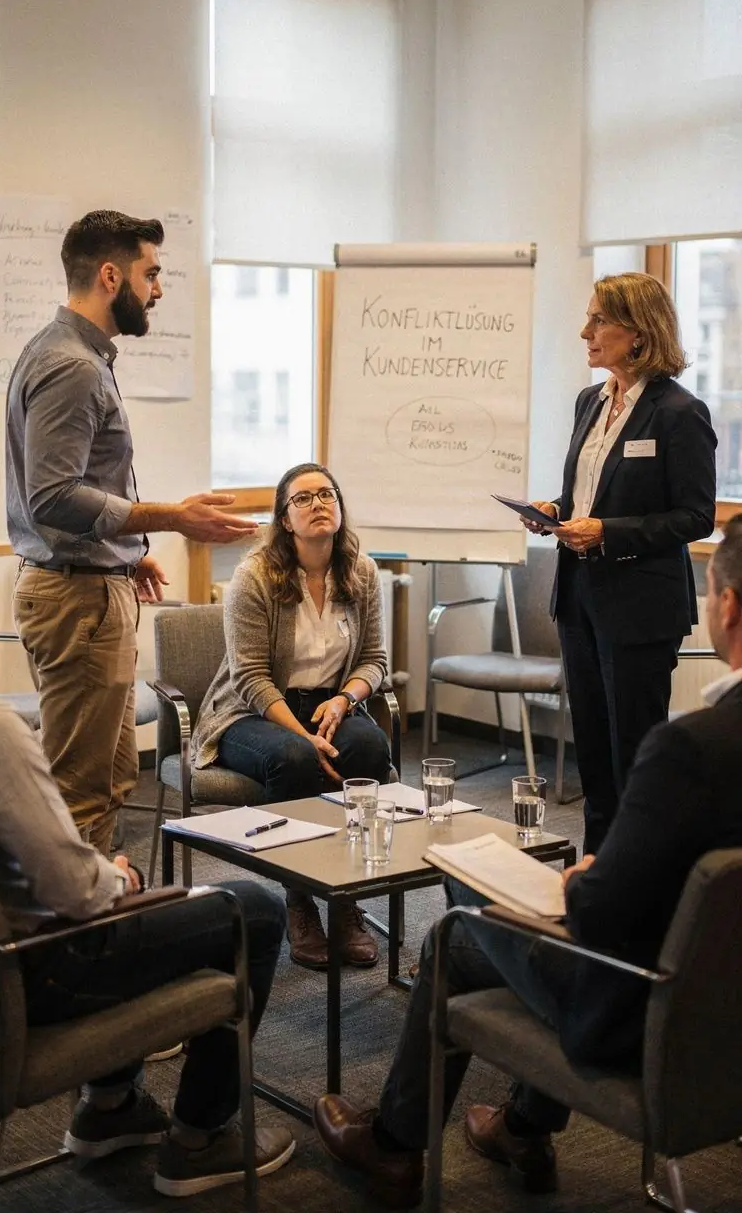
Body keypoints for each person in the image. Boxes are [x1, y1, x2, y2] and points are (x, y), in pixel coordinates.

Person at [313, 516, 742, 1209]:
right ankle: (522, 1127)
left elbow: (599, 909)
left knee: (459, 933)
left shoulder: (688, 750)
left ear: (724, 607)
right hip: (724, 1006)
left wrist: (580, 881)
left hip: (647, 1009)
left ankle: (393, 1147)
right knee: (504, 934)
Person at [0, 485, 293, 1197]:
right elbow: (75, 893)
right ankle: (200, 1137)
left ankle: (112, 1106)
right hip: (33, 971)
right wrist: (117, 880)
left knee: (126, 884)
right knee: (252, 909)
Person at [6, 210, 257, 856]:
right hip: (75, 601)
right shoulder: (73, 366)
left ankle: (96, 918)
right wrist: (172, 517)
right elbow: (52, 496)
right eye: (152, 273)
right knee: (79, 788)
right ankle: (74, 941)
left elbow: (86, 484)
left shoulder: (75, 354)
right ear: (111, 274)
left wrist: (126, 552)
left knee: (111, 775)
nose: (159, 289)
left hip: (92, 584)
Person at [525, 271, 716, 852]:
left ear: (637, 332)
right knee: (592, 751)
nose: (586, 332)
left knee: (633, 752)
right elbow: (590, 495)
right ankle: (593, 871)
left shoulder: (680, 412)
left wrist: (607, 532)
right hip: (579, 597)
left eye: (598, 320)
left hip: (640, 605)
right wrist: (555, 511)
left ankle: (639, 879)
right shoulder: (590, 400)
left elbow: (695, 517)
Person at [192, 461, 392, 971]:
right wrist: (306, 735)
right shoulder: (254, 577)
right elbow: (249, 678)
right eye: (302, 499)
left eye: (326, 494)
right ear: (285, 519)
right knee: (295, 757)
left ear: (340, 509)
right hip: (249, 712)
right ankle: (301, 899)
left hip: (329, 702)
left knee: (369, 748)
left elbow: (375, 660)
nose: (318, 504)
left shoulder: (361, 572)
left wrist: (346, 699)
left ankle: (345, 900)